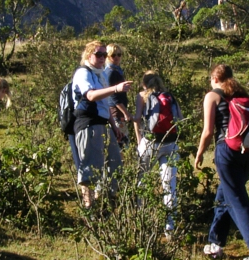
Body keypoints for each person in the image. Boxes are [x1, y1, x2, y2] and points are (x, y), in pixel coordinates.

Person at [194, 64, 249, 260]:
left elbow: (207, 131)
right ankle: (215, 244)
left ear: (214, 79)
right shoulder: (242, 95)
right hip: (248, 153)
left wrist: (199, 153)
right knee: (225, 195)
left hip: (227, 151)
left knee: (236, 199)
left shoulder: (212, 96)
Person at [73, 41, 132, 208]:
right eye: (98, 54)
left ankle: (106, 203)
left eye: (104, 55)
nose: (102, 58)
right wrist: (116, 89)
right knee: (91, 168)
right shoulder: (83, 73)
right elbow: (91, 96)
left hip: (104, 124)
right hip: (88, 124)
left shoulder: (101, 74)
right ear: (88, 55)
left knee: (114, 164)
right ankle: (89, 206)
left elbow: (105, 105)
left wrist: (114, 127)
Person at [134, 71, 181, 234]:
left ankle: (140, 219)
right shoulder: (170, 96)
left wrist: (139, 139)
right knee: (169, 185)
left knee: (142, 180)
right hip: (170, 142)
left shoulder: (142, 96)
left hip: (150, 142)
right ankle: (170, 227)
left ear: (144, 84)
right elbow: (179, 118)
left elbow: (137, 119)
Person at [104, 44, 130, 148]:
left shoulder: (111, 71)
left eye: (119, 54)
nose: (116, 57)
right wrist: (126, 113)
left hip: (114, 112)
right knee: (123, 143)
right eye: (113, 55)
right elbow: (115, 98)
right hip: (116, 113)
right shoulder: (112, 73)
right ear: (107, 56)